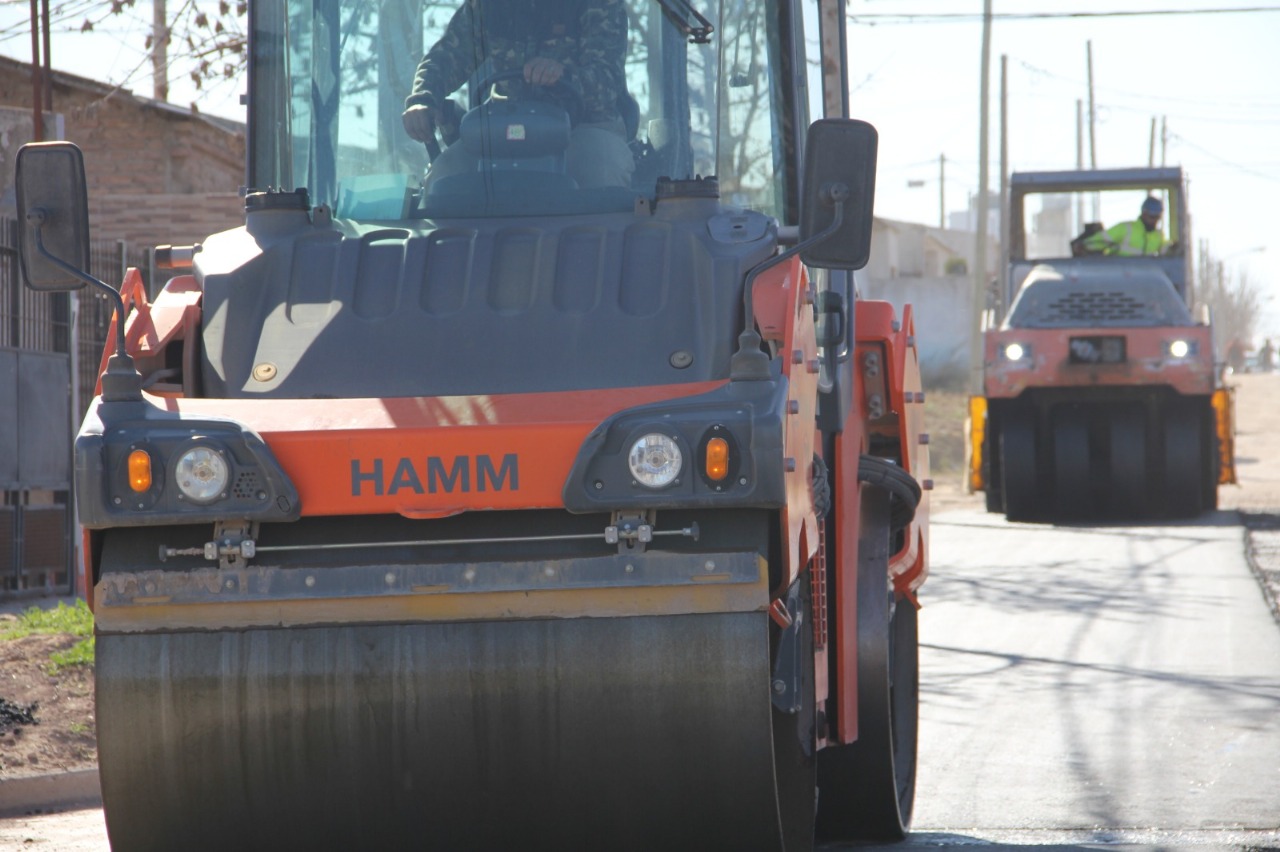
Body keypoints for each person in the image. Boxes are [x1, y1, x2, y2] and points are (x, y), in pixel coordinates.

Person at [402, 0, 634, 189]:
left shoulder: (600, 4)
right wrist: (423, 99)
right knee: (445, 176)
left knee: (604, 170)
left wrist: (563, 75)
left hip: (584, 128)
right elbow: (448, 55)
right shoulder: (489, 6)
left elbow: (607, 79)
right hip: (502, 134)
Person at [1082, 196, 1167, 256]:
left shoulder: (1159, 235)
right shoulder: (1125, 228)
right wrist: (1084, 246)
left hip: (1146, 279)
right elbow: (1100, 240)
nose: (1155, 221)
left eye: (1158, 217)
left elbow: (1166, 250)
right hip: (1121, 276)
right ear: (1144, 214)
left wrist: (1173, 248)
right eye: (1152, 217)